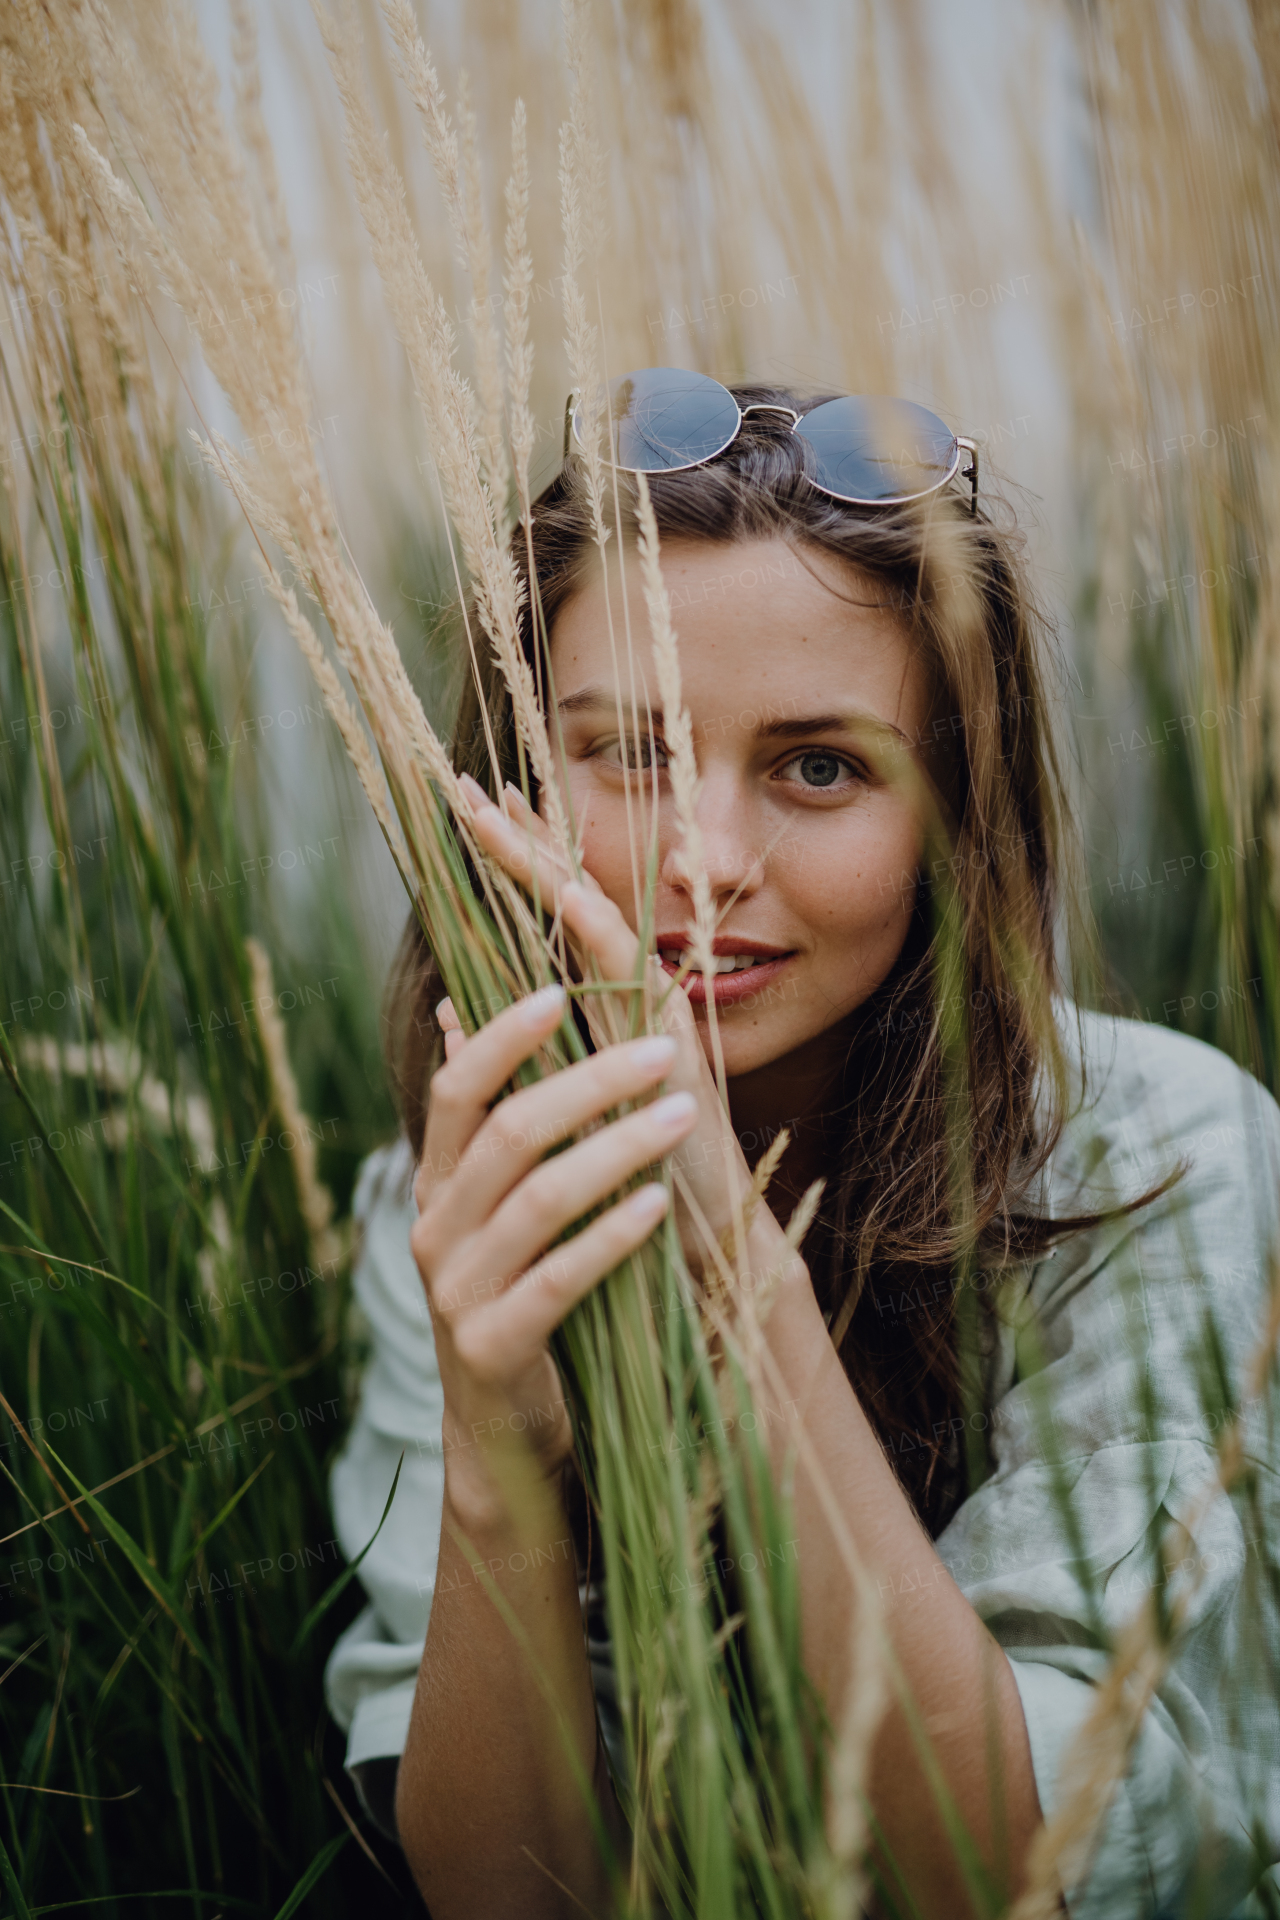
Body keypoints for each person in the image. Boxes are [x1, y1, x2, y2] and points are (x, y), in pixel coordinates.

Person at [324, 381, 1280, 1919]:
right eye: (628, 751)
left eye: (821, 767)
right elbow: (512, 1899)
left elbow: (1015, 1875)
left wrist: (726, 1252)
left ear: (952, 816)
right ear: (512, 783)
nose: (705, 862)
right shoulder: (456, 1206)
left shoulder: (1161, 1158)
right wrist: (497, 1452)